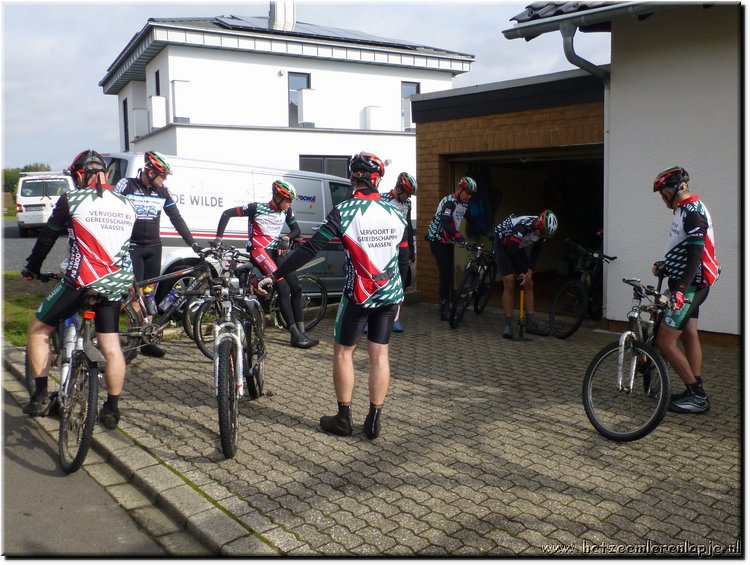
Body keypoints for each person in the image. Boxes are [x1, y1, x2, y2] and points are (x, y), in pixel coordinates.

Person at [258, 152, 409, 439]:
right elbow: (404, 259)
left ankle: (343, 419)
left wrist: (275, 274)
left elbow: (310, 249)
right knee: (380, 355)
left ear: (353, 178)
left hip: (359, 295)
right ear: (378, 180)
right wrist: (400, 295)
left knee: (344, 352)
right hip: (390, 293)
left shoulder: (344, 210)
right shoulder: (397, 213)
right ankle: (374, 420)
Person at [21, 150, 136, 429]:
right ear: (105, 173)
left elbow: (47, 237)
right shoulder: (127, 204)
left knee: (38, 329)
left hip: (81, 281)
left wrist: (32, 268)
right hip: (116, 283)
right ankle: (112, 409)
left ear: (80, 175)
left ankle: (40, 396)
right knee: (111, 345)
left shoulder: (71, 199)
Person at [115, 150, 201, 358]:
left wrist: (192, 243)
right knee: (134, 295)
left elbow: (176, 218)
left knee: (149, 294)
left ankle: (146, 341)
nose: (164, 180)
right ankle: (133, 342)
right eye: (162, 175)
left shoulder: (162, 191)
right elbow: (112, 212)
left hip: (153, 247)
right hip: (132, 247)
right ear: (151, 172)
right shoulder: (127, 185)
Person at [213, 180, 318, 349]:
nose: (290, 204)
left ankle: (301, 331)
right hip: (259, 251)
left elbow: (296, 230)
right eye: (288, 200)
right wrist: (218, 239)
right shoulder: (256, 208)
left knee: (296, 287)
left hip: (276, 252)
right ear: (277, 196)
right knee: (283, 288)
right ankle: (295, 335)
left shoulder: (286, 210)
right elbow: (227, 213)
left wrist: (287, 238)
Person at [651, 166, 719, 414]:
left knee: (665, 341)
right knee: (689, 334)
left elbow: (695, 256)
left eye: (663, 192)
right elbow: (682, 248)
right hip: (689, 284)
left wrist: (680, 290)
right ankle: (695, 385)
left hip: (691, 286)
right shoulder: (683, 210)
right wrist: (666, 265)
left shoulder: (693, 212)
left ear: (675, 189)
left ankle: (697, 396)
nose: (663, 198)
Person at [425, 176, 484, 321]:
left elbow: (471, 219)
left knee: (449, 273)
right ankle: (443, 306)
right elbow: (446, 223)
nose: (469, 197)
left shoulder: (464, 204)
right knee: (445, 273)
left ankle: (447, 303)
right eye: (467, 193)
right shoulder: (449, 202)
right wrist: (459, 237)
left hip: (449, 241)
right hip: (437, 240)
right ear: (460, 189)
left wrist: (486, 232)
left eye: (471, 194)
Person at [493, 210, 558, 338]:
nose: (542, 236)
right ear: (538, 224)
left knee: (529, 282)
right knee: (510, 282)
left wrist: (530, 270)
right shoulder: (523, 226)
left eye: (545, 234)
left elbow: (536, 251)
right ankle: (508, 325)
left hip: (517, 246)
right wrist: (522, 271)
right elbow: (512, 251)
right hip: (503, 243)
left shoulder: (542, 232)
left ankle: (531, 323)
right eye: (542, 232)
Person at [378, 171, 417, 333]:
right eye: (407, 193)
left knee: (401, 280)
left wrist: (411, 250)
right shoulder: (381, 199)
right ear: (399, 189)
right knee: (381, 278)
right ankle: (373, 318)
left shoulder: (407, 203)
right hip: (385, 245)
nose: (409, 197)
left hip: (402, 245)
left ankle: (395, 318)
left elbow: (408, 225)